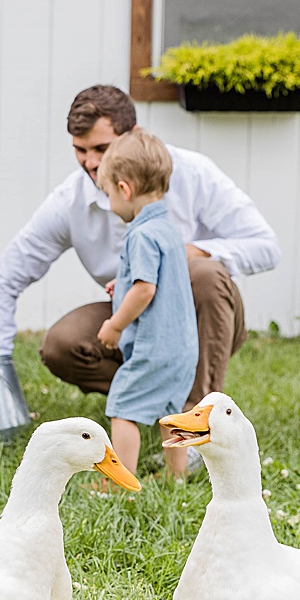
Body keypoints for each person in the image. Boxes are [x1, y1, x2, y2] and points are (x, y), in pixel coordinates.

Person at [0, 85, 278, 420]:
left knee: (205, 274)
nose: (91, 163)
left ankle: (197, 422)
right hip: (135, 315)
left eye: (101, 149)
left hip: (204, 316)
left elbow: (265, 247)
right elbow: (5, 277)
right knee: (62, 344)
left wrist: (186, 254)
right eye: (80, 150)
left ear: (133, 135)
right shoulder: (70, 200)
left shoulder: (193, 173)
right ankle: (145, 401)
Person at [93, 129, 198, 480]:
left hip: (154, 348)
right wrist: (120, 282)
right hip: (182, 346)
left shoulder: (140, 234)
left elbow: (144, 290)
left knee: (123, 407)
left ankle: (121, 482)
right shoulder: (167, 228)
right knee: (171, 413)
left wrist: (115, 325)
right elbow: (157, 278)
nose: (109, 202)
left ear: (125, 189)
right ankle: (176, 478)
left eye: (108, 193)